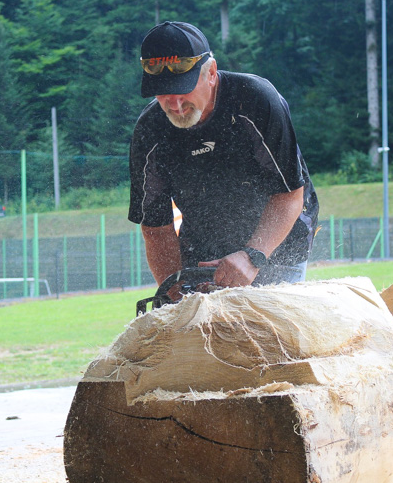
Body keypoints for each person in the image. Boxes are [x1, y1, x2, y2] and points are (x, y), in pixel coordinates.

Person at [128, 21, 319, 289]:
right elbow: (156, 228)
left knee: (266, 328)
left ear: (211, 73)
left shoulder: (256, 101)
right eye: (163, 93)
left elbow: (289, 195)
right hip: (203, 248)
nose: (175, 104)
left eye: (183, 89)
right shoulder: (150, 130)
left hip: (278, 241)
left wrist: (252, 256)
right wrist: (174, 288)